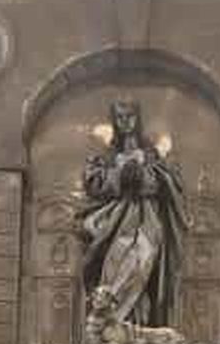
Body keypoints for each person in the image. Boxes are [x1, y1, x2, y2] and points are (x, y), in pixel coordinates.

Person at [79, 99, 190, 330]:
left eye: (130, 116)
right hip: (115, 224)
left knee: (142, 265)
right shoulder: (107, 157)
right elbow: (93, 183)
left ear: (138, 118)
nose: (125, 122)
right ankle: (111, 325)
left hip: (147, 222)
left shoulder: (153, 156)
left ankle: (138, 325)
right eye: (120, 117)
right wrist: (120, 174)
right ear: (114, 120)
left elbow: (168, 181)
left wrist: (143, 174)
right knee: (113, 269)